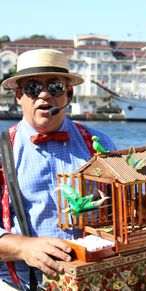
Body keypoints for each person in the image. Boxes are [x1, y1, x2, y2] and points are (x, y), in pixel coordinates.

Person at [0, 48, 116, 290]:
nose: (44, 95)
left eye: (55, 87)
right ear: (19, 95)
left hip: (93, 281)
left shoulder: (99, 142)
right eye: (32, 88)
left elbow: (120, 205)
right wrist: (23, 247)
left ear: (68, 94)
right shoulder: (2, 151)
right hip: (19, 284)